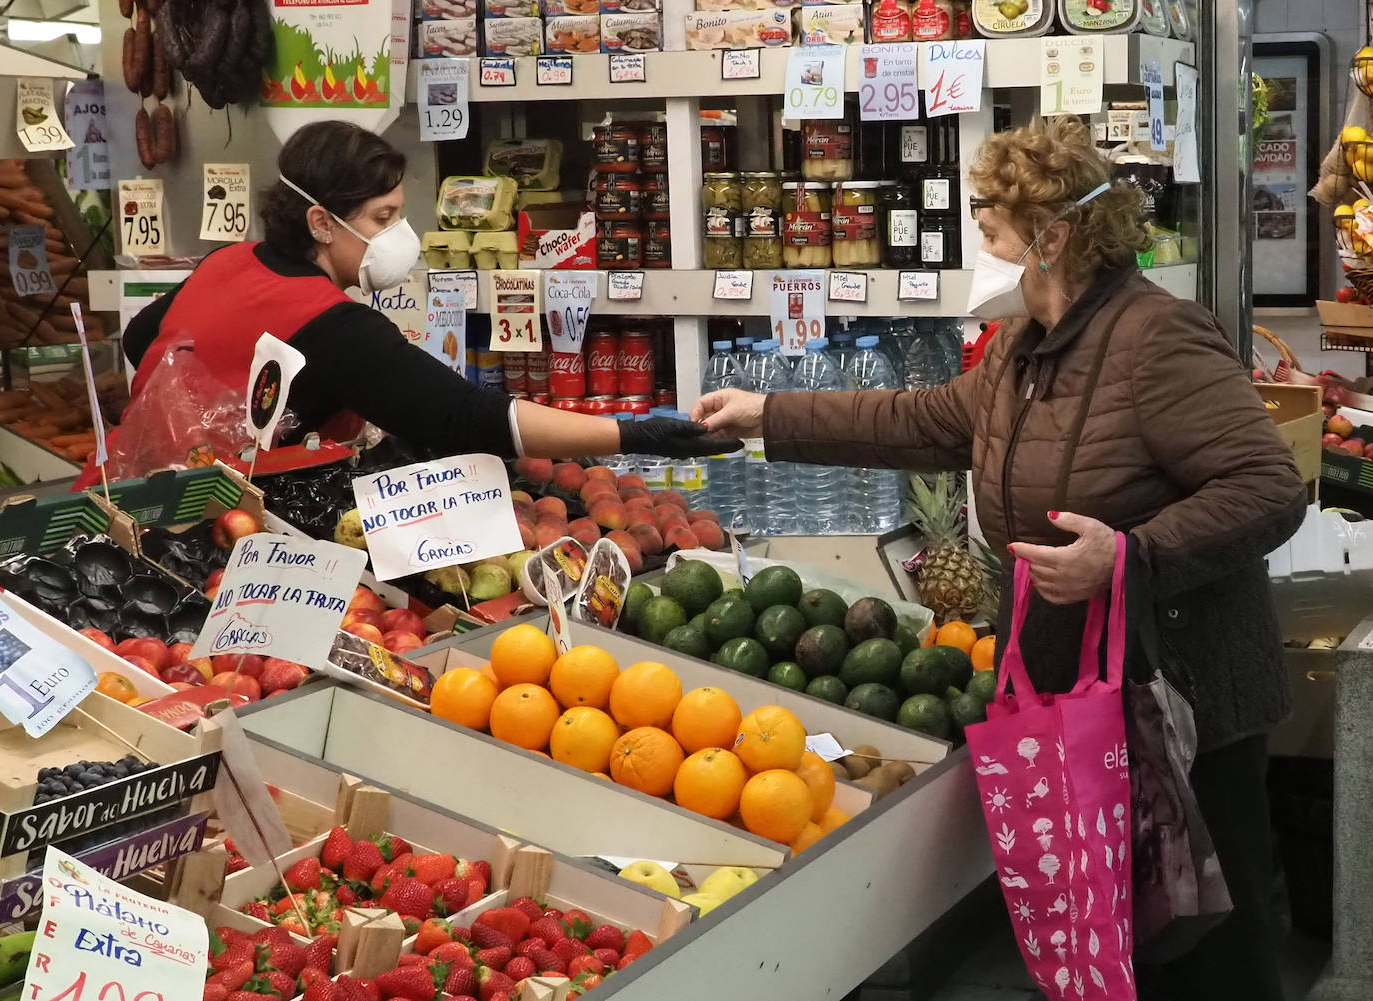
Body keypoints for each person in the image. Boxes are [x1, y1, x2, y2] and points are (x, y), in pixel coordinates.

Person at [694, 116, 1304, 1001]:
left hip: (1185, 705)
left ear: (1052, 237)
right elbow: (922, 421)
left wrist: (1129, 554)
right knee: (1118, 940)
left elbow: (1268, 486)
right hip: (1089, 705)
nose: (975, 245)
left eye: (987, 227)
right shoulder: (1023, 349)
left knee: (1212, 951)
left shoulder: (1156, 339)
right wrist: (769, 415)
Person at [116, 120, 735, 465]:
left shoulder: (229, 261)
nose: (400, 236)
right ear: (321, 223)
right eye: (382, 219)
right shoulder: (332, 327)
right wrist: (632, 434)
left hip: (133, 486)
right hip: (204, 525)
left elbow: (141, 337)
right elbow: (469, 415)